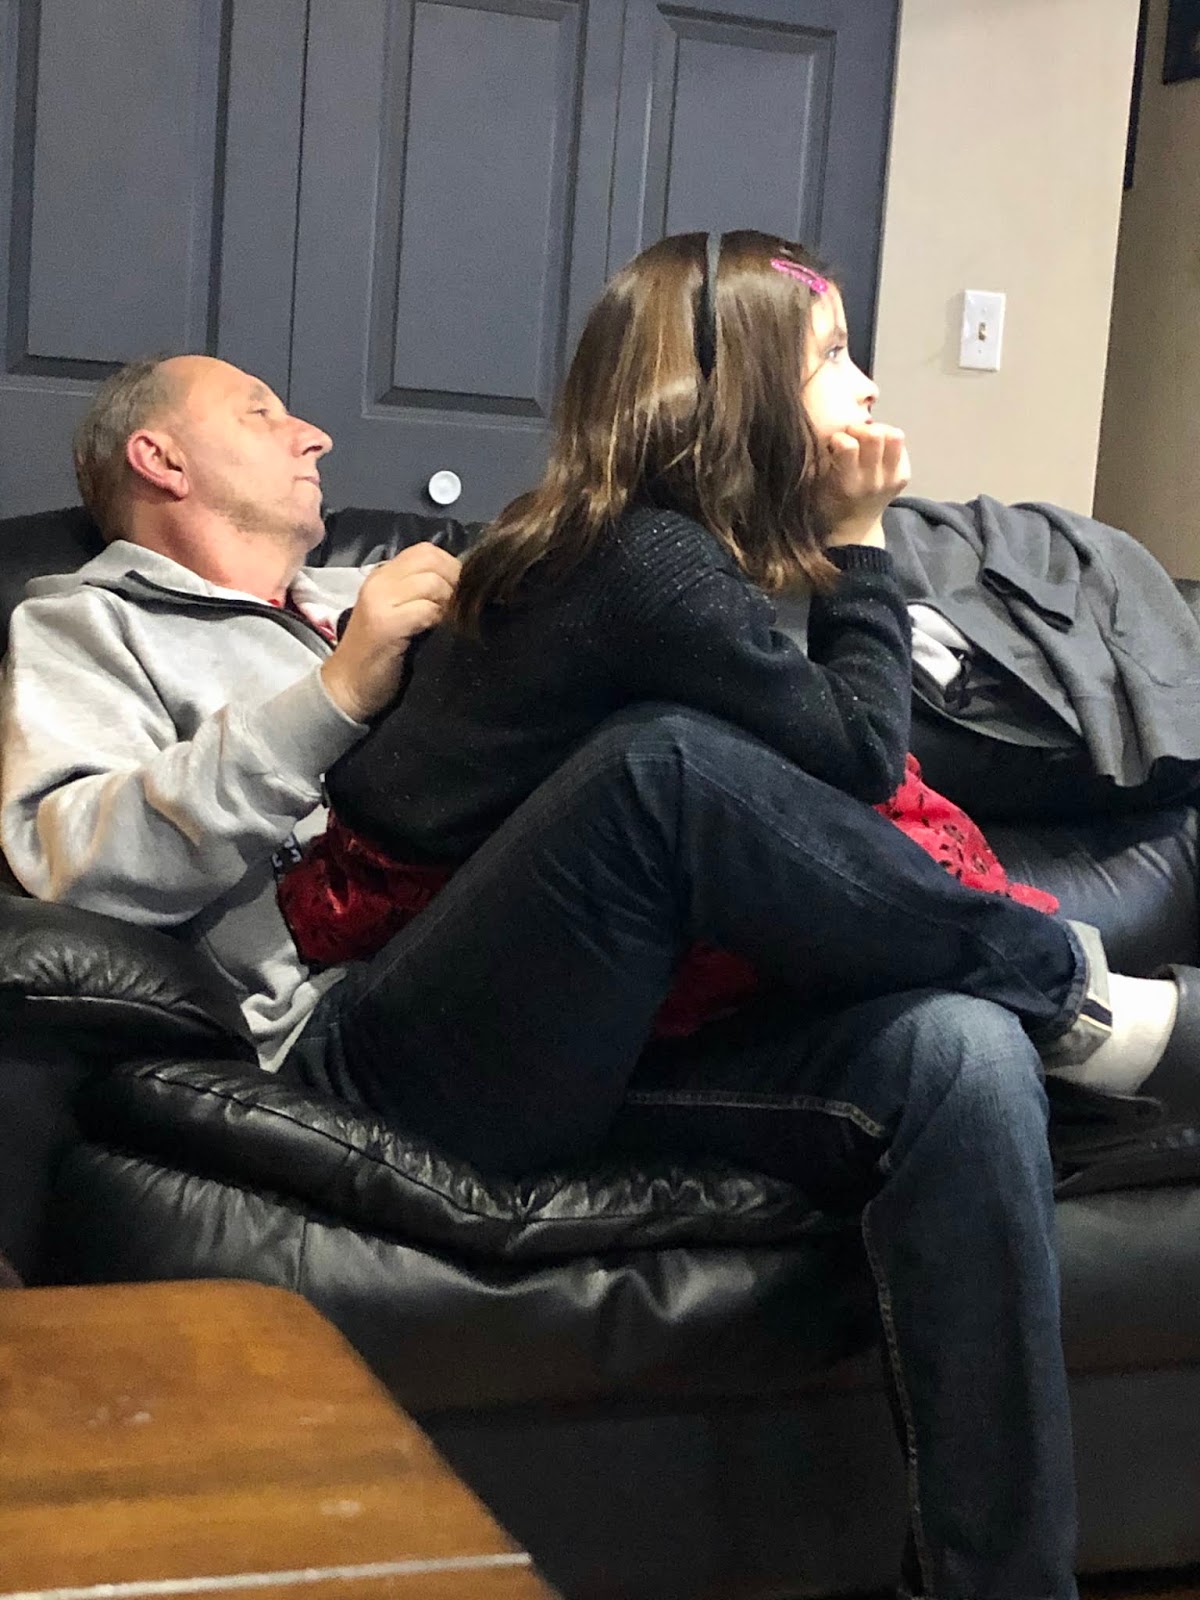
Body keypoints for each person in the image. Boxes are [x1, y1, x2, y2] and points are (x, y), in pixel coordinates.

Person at [0, 249, 1181, 1596]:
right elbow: (69, 866)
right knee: (659, 769)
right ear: (158, 455)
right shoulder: (84, 626)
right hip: (375, 1035)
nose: (313, 431)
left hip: (610, 1007)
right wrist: (331, 696)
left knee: (958, 1050)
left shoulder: (401, 594)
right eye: (262, 411)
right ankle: (1075, 992)